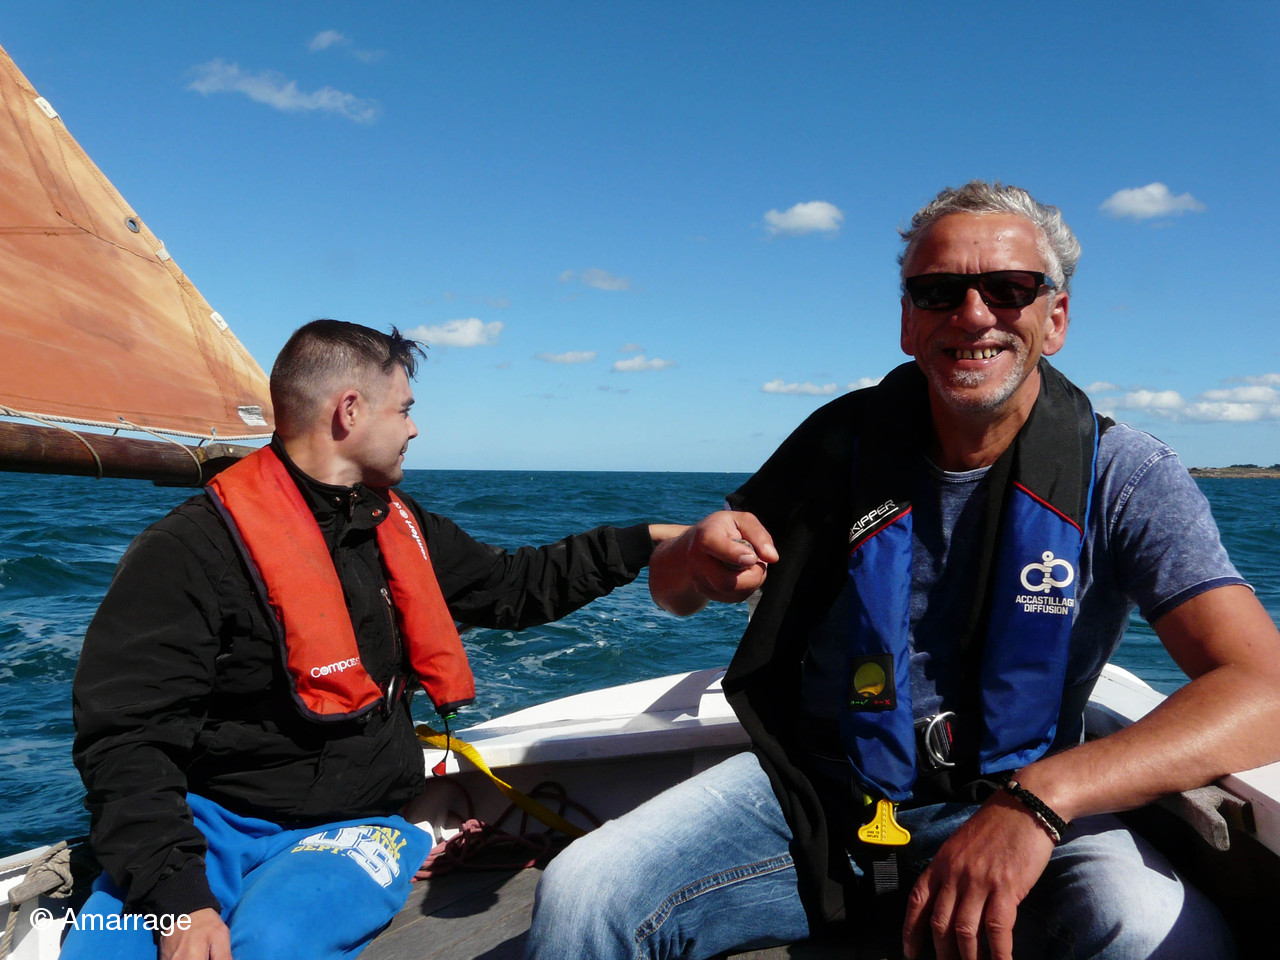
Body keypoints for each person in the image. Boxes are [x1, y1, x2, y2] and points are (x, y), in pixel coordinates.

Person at [526, 181, 1280, 960]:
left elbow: (1265, 689)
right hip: (820, 795)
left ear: (1055, 318)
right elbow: (671, 592)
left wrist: (1042, 799)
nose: (974, 315)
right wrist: (692, 559)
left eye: (1010, 289)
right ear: (907, 322)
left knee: (1162, 935)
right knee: (588, 892)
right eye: (938, 291)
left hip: (1030, 802)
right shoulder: (837, 446)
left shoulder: (1125, 476)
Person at [68, 319, 680, 960]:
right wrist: (178, 898)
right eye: (405, 410)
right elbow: (128, 738)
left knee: (273, 942)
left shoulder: (398, 523)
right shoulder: (189, 550)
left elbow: (513, 586)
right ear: (350, 411)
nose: (414, 429)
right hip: (212, 822)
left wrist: (644, 543)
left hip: (355, 826)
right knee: (106, 950)